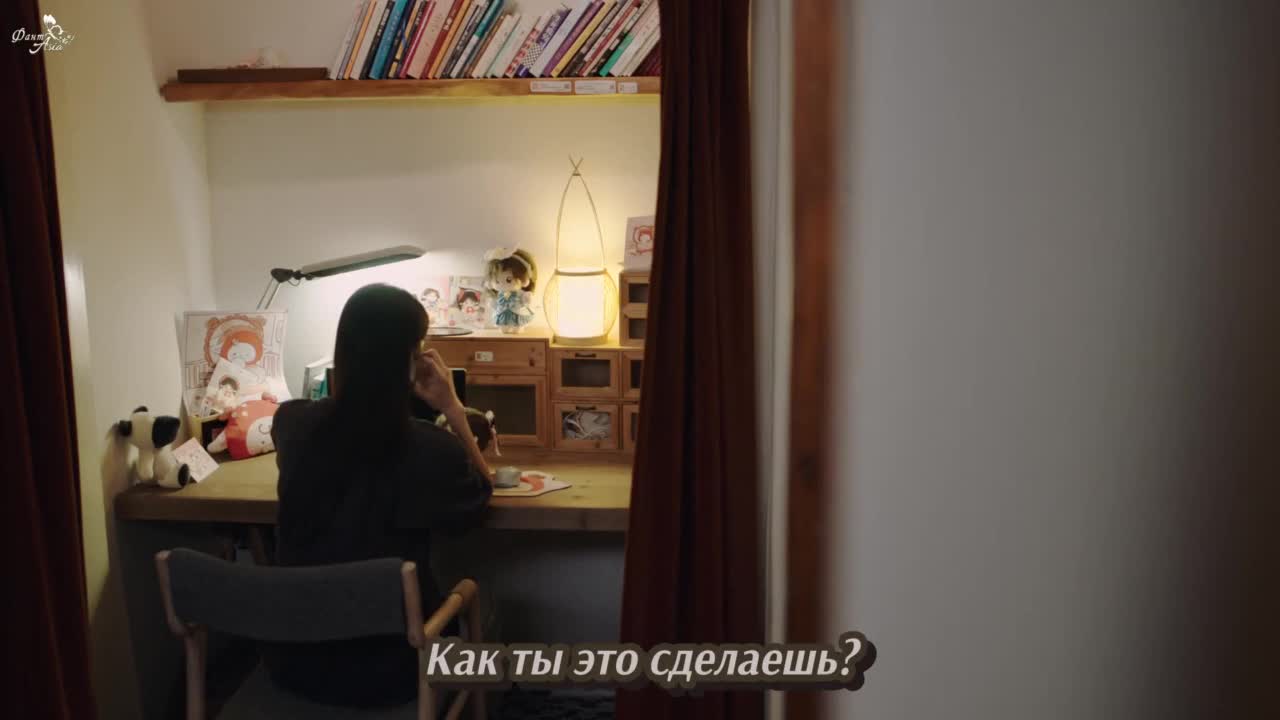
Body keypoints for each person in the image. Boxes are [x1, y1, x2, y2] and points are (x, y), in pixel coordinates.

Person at [263, 284, 493, 707]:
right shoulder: (431, 450)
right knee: (475, 601)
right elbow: (479, 498)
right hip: (397, 673)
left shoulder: (291, 423)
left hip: (295, 664)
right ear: (410, 360)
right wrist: (453, 409)